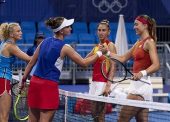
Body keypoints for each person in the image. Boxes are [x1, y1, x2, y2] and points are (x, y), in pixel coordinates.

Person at [21, 17, 105, 122]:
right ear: (61, 30)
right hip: (48, 86)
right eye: (68, 27)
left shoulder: (44, 41)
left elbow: (31, 63)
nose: (70, 28)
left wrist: (23, 80)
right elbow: (83, 63)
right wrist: (99, 53)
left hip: (34, 83)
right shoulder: (65, 47)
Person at [104, 15, 160, 122]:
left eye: (136, 24)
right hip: (137, 87)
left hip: (141, 88)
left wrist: (141, 73)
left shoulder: (149, 42)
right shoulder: (137, 43)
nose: (134, 27)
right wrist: (106, 52)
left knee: (121, 119)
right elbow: (122, 58)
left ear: (145, 25)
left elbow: (156, 65)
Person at [86, 19, 117, 122]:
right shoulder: (96, 47)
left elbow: (113, 66)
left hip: (103, 83)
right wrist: (97, 52)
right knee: (94, 113)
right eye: (99, 30)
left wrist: (108, 85)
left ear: (108, 32)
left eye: (104, 30)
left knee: (101, 114)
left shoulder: (111, 45)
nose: (101, 32)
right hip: (94, 82)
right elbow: (85, 61)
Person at [0, 22, 31, 122]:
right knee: (4, 116)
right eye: (18, 31)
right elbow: (29, 59)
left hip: (2, 79)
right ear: (11, 34)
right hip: (3, 81)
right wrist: (43, 51)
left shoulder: (3, 43)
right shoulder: (11, 47)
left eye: (21, 30)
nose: (21, 33)